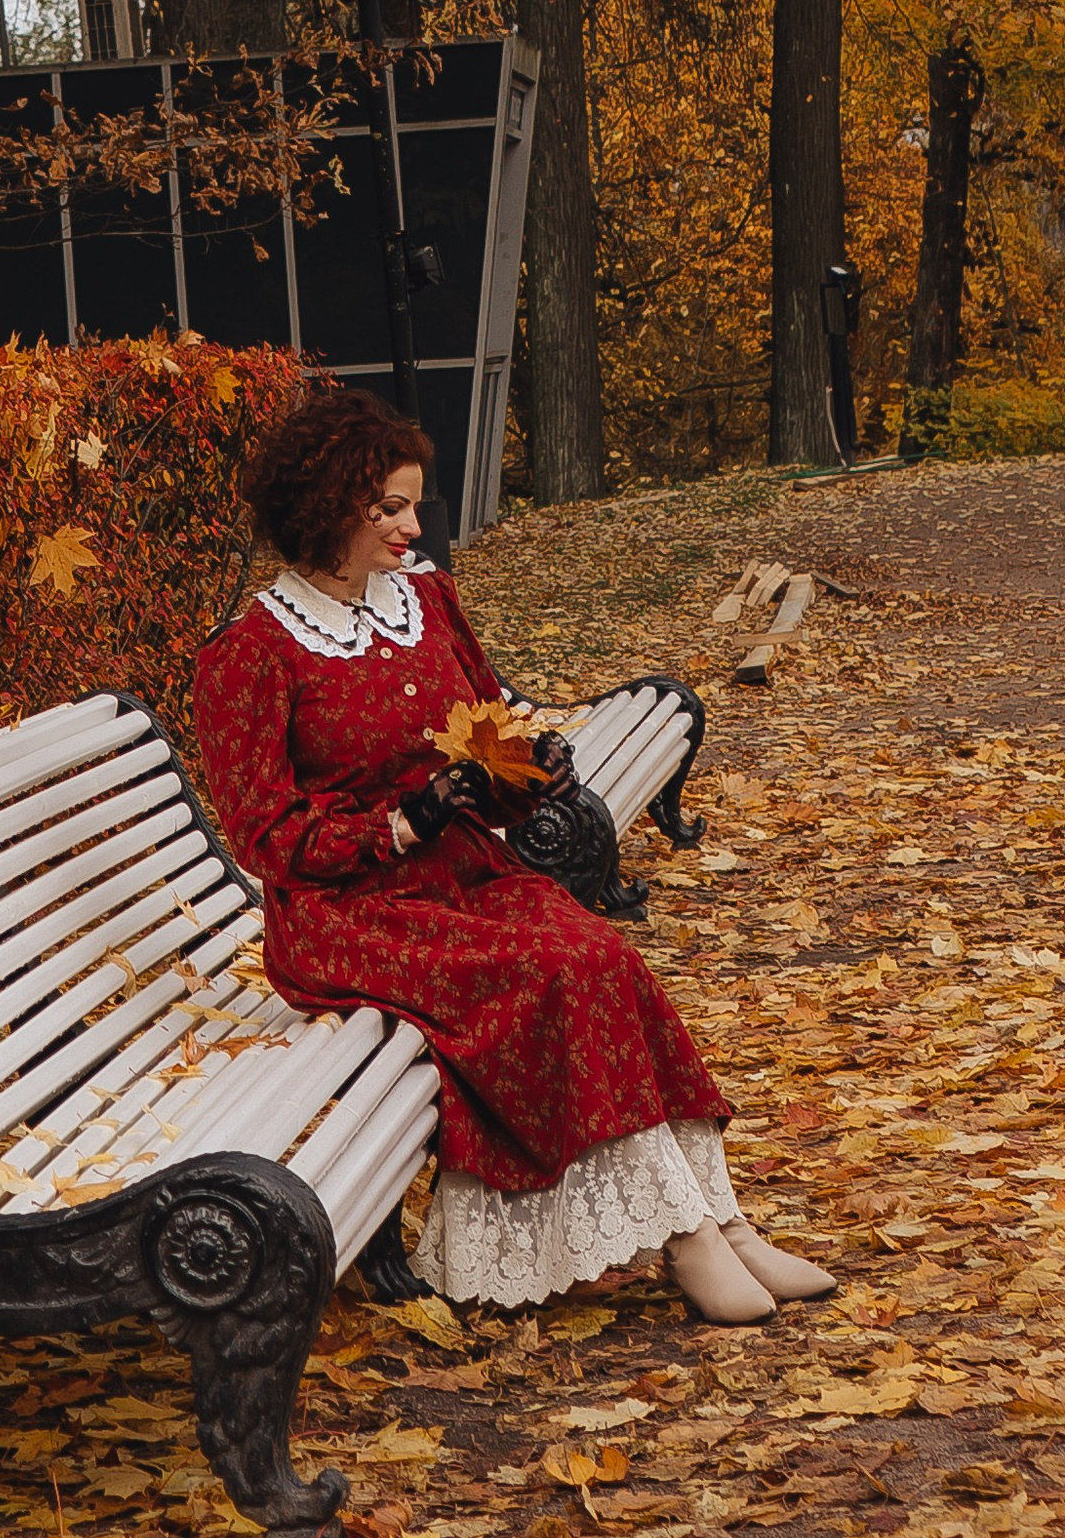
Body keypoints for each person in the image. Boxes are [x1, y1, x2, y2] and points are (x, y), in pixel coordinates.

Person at [190, 380, 838, 1321]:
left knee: (602, 951)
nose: (413, 528)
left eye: (415, 505)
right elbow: (264, 837)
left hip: (459, 876)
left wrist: (523, 767)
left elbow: (484, 724)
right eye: (390, 509)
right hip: (345, 915)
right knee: (555, 966)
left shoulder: (426, 602)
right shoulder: (252, 651)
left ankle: (722, 1220)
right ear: (327, 509)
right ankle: (686, 1236)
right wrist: (400, 825)